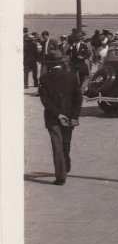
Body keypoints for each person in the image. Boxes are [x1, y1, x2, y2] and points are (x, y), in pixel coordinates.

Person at [38, 50, 82, 185]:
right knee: (66, 142)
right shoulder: (72, 77)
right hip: (69, 116)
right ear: (62, 63)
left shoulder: (44, 79)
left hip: (53, 117)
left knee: (57, 145)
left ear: (50, 64)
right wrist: (74, 116)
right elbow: (78, 98)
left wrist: (58, 114)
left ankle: (60, 176)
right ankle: (66, 161)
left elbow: (46, 102)